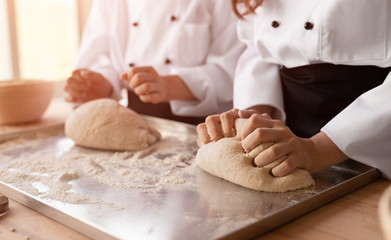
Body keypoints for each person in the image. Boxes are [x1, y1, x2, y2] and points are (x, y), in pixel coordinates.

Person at [197, 0, 391, 179]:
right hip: (290, 137)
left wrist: (317, 149)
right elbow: (259, 46)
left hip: (374, 135)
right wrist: (255, 118)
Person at [64, 0, 244, 124]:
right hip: (132, 118)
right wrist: (100, 84)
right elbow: (99, 52)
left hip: (202, 126)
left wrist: (168, 85)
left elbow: (235, 69)